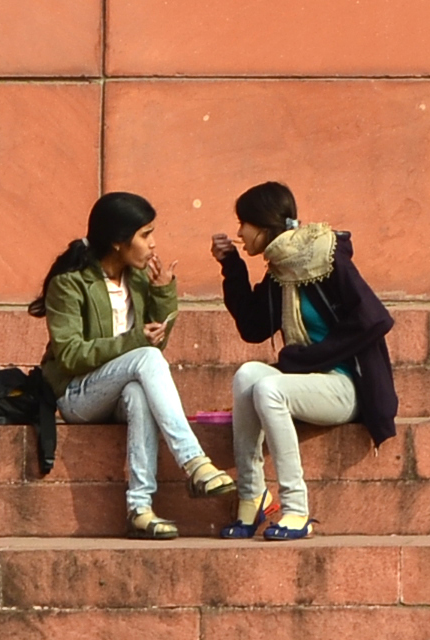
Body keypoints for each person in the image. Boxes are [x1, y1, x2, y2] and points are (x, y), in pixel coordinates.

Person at [208, 179, 397, 543]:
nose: (238, 233)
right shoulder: (282, 268)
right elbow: (252, 327)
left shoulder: (325, 257)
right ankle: (253, 496)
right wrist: (231, 266)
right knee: (248, 375)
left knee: (268, 388)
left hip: (346, 386)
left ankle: (296, 510)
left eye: (243, 224)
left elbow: (375, 319)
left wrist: (306, 357)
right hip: (307, 380)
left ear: (262, 226)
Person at [35, 191, 230, 539]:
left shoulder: (137, 278)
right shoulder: (70, 282)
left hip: (121, 389)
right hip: (78, 394)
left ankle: (139, 509)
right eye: (145, 234)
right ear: (117, 242)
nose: (153, 244)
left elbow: (155, 344)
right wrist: (135, 341)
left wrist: (162, 293)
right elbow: (69, 354)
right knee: (146, 359)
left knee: (140, 393)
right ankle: (194, 462)